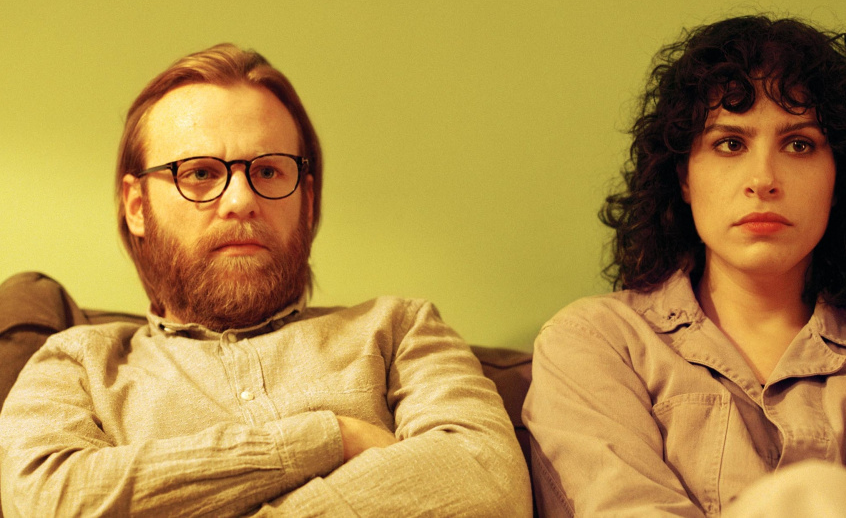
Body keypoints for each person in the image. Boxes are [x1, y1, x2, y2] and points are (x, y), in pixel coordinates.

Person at [0, 44, 531, 517]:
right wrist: (328, 439)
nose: (240, 201)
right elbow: (45, 500)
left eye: (270, 170)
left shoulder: (400, 331)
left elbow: (488, 484)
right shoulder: (76, 363)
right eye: (200, 173)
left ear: (309, 200)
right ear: (138, 206)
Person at [522, 15, 846, 517]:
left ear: (840, 178)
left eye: (799, 144)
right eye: (730, 143)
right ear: (684, 176)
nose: (764, 179)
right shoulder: (596, 342)